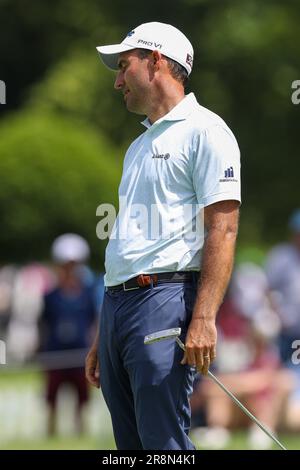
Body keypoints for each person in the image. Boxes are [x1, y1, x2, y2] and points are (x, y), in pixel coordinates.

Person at [86, 22, 241, 450]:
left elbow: (223, 228)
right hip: (119, 307)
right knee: (131, 450)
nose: (117, 82)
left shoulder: (207, 131)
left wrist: (205, 318)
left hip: (164, 303)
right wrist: (104, 329)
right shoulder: (137, 146)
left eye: (123, 66)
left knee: (163, 447)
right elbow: (127, 244)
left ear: (156, 61)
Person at [40, 233, 98, 435]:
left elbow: (92, 321)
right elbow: (44, 323)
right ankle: (51, 431)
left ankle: (80, 429)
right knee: (51, 396)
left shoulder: (87, 294)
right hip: (56, 352)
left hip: (79, 351)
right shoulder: (50, 296)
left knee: (82, 396)